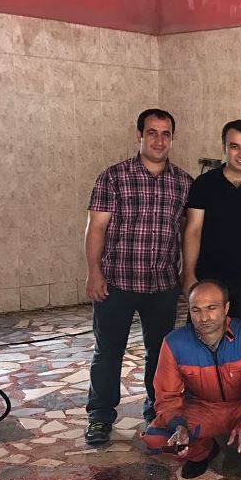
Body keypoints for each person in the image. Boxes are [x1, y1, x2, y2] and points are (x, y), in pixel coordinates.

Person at [84, 108, 193, 446]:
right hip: (117, 281)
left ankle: (157, 411)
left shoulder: (184, 183)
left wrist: (186, 276)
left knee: (160, 354)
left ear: (172, 138)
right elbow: (96, 227)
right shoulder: (113, 177)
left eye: (165, 134)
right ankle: (100, 416)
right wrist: (93, 272)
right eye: (152, 133)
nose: (159, 140)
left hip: (162, 284)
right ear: (139, 136)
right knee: (108, 351)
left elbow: (188, 233)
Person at [142, 280, 241, 480]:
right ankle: (201, 453)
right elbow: (166, 396)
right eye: (196, 310)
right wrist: (179, 425)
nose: (204, 318)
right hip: (202, 407)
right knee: (156, 438)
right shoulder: (174, 343)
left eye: (211, 308)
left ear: (226, 308)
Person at [183, 120, 241, 324]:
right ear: (224, 147)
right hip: (208, 277)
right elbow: (193, 230)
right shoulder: (204, 184)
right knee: (203, 334)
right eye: (235, 146)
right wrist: (189, 274)